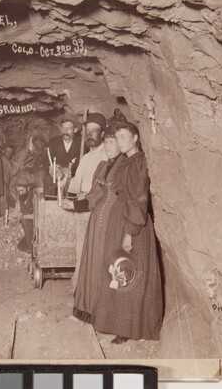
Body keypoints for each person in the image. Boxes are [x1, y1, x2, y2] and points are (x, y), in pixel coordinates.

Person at [92, 113, 163, 344]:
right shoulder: (127, 162)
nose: (120, 140)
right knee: (119, 271)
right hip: (121, 222)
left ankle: (130, 328)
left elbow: (137, 200)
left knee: (131, 274)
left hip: (132, 226)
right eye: (117, 137)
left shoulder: (138, 162)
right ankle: (119, 323)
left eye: (124, 136)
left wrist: (129, 233)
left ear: (135, 138)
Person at [61, 127, 126, 324]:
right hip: (97, 220)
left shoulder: (125, 166)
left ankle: (109, 314)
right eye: (105, 142)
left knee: (109, 266)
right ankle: (90, 310)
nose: (107, 145)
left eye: (112, 142)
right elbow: (95, 195)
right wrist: (75, 204)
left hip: (114, 221)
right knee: (93, 263)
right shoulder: (103, 165)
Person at [67, 112, 108, 199]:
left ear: (102, 133)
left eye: (94, 131)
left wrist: (86, 195)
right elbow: (75, 186)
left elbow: (104, 189)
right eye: (87, 131)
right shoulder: (85, 158)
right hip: (82, 202)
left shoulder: (107, 155)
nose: (89, 135)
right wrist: (62, 177)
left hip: (96, 203)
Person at [48, 114, 82, 180]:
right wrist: (53, 168)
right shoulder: (53, 142)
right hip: (55, 178)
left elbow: (82, 164)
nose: (65, 131)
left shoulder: (81, 144)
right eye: (64, 128)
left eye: (68, 128)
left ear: (75, 130)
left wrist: (68, 170)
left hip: (73, 179)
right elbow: (46, 161)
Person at [14, 172, 34, 254]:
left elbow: (39, 216)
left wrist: (24, 217)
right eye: (18, 191)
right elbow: (16, 211)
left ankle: (31, 248)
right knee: (20, 246)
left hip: (35, 226)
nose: (20, 193)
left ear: (28, 188)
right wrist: (16, 215)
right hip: (27, 228)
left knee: (26, 221)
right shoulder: (20, 197)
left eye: (22, 190)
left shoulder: (34, 198)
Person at [0, 144, 16, 212]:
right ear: (3, 151)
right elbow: (12, 172)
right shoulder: (4, 160)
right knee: (3, 202)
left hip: (3, 183)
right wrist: (17, 166)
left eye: (11, 152)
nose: (9, 154)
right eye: (7, 151)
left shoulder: (4, 159)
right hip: (3, 183)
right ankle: (4, 217)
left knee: (3, 201)